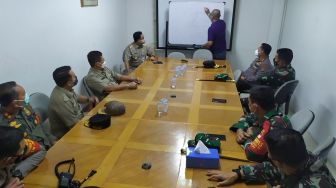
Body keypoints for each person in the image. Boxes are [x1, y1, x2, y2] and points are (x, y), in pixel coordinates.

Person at [206, 128, 336, 187]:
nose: (267, 155)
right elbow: (272, 168)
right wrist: (238, 174)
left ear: (278, 161)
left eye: (269, 153)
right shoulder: (298, 156)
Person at [230, 86, 292, 162]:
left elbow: (252, 155)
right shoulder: (266, 111)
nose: (248, 105)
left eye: (249, 103)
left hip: (272, 165)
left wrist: (249, 137)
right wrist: (240, 129)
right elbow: (246, 117)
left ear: (255, 107)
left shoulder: (274, 126)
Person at [0, 81, 49, 176]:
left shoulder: (25, 106)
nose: (26, 96)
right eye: (23, 94)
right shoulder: (3, 128)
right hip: (28, 164)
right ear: (15, 103)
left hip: (46, 150)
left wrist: (52, 141)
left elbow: (39, 127)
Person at [48, 66, 99, 140]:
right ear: (68, 83)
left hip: (79, 120)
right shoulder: (62, 100)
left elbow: (76, 97)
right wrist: (93, 118)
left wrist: (89, 99)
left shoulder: (63, 87)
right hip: (68, 136)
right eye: (74, 77)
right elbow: (75, 125)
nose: (76, 77)